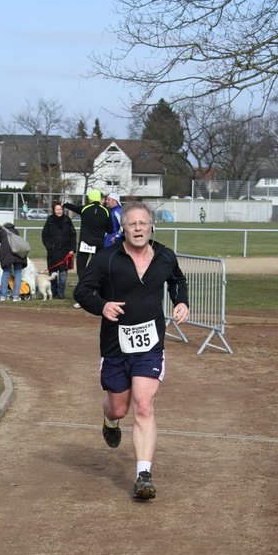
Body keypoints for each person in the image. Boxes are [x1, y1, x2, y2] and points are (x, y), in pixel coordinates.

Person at [73, 201, 189, 501]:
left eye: (143, 223)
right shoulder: (107, 258)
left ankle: (143, 475)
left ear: (151, 227)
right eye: (132, 224)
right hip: (116, 346)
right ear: (123, 228)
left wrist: (181, 301)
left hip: (150, 345)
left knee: (144, 405)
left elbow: (177, 280)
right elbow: (82, 291)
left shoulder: (165, 256)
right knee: (120, 408)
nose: (138, 228)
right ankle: (110, 419)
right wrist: (102, 305)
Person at [63, 189, 114, 307]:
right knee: (97, 268)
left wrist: (64, 204)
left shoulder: (85, 209)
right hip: (98, 244)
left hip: (85, 243)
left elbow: (74, 207)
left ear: (90, 199)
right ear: (100, 199)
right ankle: (96, 292)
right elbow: (110, 229)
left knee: (81, 268)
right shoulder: (106, 211)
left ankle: (84, 293)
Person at [41, 201, 77, 299]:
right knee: (52, 274)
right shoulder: (50, 220)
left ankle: (61, 294)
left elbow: (73, 235)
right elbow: (44, 235)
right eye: (57, 209)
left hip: (65, 252)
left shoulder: (67, 220)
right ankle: (54, 292)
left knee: (63, 275)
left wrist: (72, 249)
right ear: (54, 210)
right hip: (52, 252)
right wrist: (49, 247)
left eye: (61, 209)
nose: (59, 211)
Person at [0, 222, 27, 301]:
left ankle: (3, 296)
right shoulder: (15, 231)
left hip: (6, 255)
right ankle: (16, 297)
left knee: (6, 273)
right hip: (18, 254)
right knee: (18, 274)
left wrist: (0, 257)